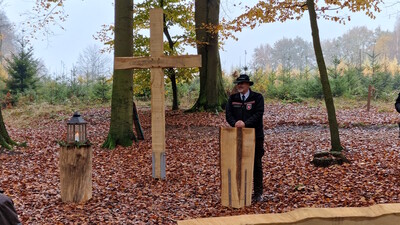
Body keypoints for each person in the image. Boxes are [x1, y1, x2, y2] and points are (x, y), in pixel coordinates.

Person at [225, 74, 265, 203]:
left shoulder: (257, 98)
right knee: (237, 163)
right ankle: (241, 192)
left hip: (255, 136)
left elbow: (259, 113)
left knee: (256, 164)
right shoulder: (232, 98)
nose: (239, 86)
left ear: (248, 84)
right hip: (236, 136)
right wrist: (234, 123)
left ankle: (258, 193)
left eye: (242, 83)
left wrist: (245, 123)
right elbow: (228, 114)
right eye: (238, 83)